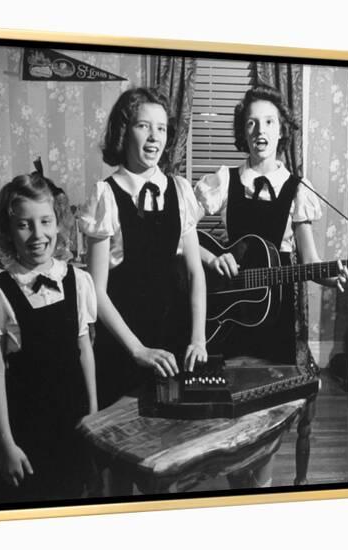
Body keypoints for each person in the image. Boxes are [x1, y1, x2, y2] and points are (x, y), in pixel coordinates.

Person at [195, 84, 348, 365]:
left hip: (276, 315)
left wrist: (338, 275)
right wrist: (211, 257)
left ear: (281, 131)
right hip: (227, 313)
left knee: (275, 395)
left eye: (269, 122)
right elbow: (180, 230)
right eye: (251, 123)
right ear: (243, 132)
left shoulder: (299, 189)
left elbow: (311, 262)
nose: (259, 130)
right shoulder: (225, 180)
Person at [0, 172, 97, 503]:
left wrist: (94, 414)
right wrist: (5, 444)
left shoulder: (78, 281)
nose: (37, 234)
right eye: (24, 224)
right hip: (27, 428)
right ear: (9, 231)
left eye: (45, 221)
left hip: (73, 419)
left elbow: (84, 350)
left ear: (58, 224)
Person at [80, 87, 207, 409]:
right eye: (143, 126)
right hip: (124, 343)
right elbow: (96, 290)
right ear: (124, 131)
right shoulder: (106, 195)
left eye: (161, 128)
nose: (154, 137)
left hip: (175, 339)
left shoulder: (180, 190)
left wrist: (198, 337)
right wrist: (137, 350)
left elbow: (195, 273)